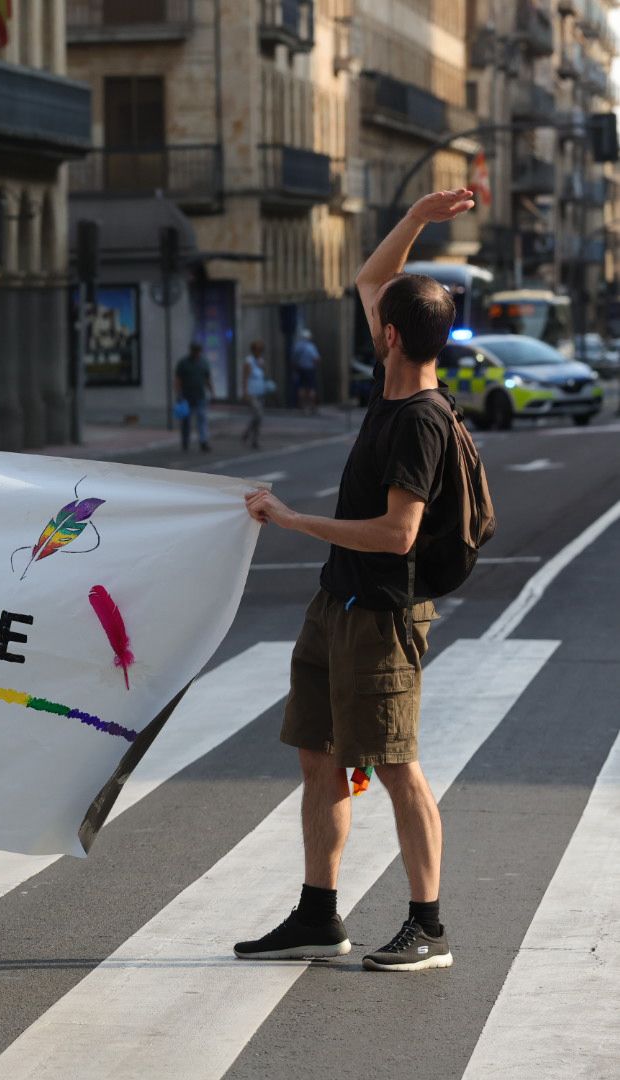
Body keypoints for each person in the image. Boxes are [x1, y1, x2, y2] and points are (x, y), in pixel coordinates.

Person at [237, 188, 476, 973]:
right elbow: (373, 280)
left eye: (380, 320)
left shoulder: (420, 420)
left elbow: (398, 534)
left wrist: (297, 520)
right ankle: (318, 915)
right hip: (334, 603)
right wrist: (416, 216)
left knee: (398, 763)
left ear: (392, 336)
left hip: (381, 612)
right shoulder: (392, 385)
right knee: (319, 754)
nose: (370, 319)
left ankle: (428, 927)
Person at [173, 342, 215, 453]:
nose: (196, 353)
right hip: (186, 396)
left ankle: (203, 441)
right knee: (186, 421)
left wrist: (212, 392)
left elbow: (207, 379)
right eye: (195, 350)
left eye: (198, 351)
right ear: (191, 350)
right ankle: (185, 442)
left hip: (200, 395)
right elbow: (178, 379)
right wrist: (178, 393)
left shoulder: (203, 362)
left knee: (202, 419)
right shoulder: (183, 363)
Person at [242, 341, 269, 449]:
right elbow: (245, 377)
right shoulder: (248, 361)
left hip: (260, 391)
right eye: (258, 350)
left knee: (258, 417)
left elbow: (263, 376)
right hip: (251, 392)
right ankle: (250, 436)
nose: (260, 352)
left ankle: (252, 437)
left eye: (261, 350)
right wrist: (245, 391)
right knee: (258, 414)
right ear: (253, 350)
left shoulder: (261, 361)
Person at [292, 329, 321, 416]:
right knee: (311, 388)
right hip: (310, 369)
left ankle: (302, 406)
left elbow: (293, 359)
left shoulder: (297, 346)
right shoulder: (310, 347)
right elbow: (316, 358)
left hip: (300, 369)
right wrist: (315, 366)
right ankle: (312, 406)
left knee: (301, 388)